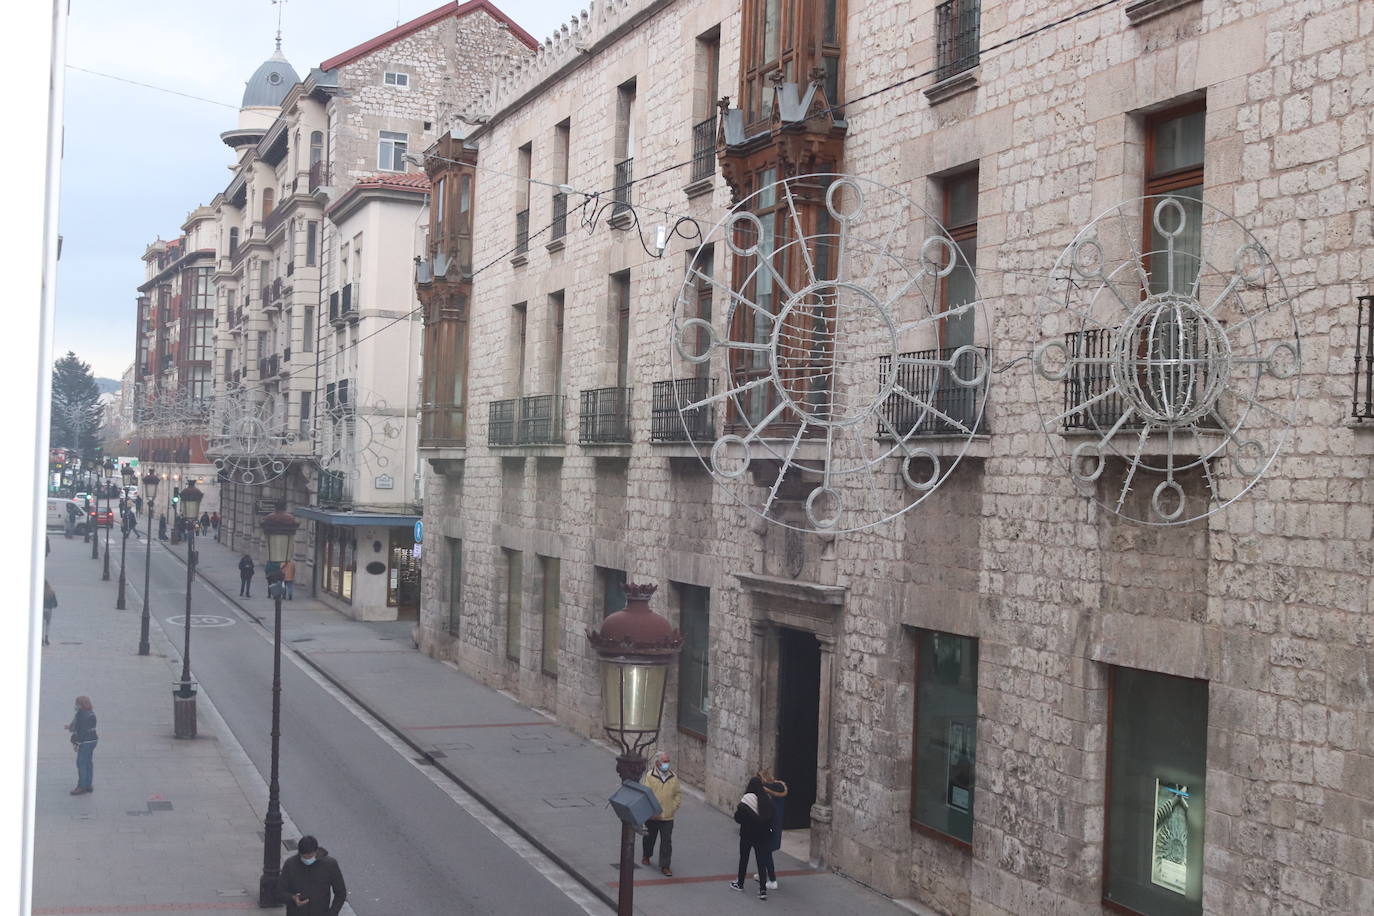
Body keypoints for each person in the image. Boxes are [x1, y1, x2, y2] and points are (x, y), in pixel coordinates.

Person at [278, 835, 347, 916]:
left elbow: (341, 892)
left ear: (316, 851)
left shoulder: (330, 865)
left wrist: (332, 913)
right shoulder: (290, 865)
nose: (307, 860)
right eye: (304, 857)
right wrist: (292, 898)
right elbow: (279, 892)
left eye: (310, 856)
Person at [730, 776, 773, 900]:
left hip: (747, 835)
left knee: (744, 859)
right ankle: (763, 890)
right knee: (761, 862)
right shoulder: (766, 799)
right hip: (762, 837)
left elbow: (738, 817)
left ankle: (740, 883)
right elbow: (770, 818)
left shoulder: (747, 799)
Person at [641, 751, 682, 876]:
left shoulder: (673, 777)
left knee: (666, 841)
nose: (667, 764)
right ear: (657, 763)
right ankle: (647, 855)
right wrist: (650, 810)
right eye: (664, 761)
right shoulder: (649, 776)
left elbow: (678, 794)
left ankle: (665, 866)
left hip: (667, 816)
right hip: (653, 815)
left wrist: (673, 807)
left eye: (667, 761)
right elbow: (645, 794)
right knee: (649, 837)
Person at [756, 769, 789, 890]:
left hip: (768, 826)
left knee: (765, 852)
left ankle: (772, 879)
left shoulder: (767, 792)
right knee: (763, 851)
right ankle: (762, 873)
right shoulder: (779, 788)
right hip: (775, 825)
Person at [64, 696, 97, 795]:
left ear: (80, 705)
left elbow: (79, 729)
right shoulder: (91, 713)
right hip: (93, 740)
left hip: (85, 742)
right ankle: (88, 785)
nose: (75, 706)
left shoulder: (80, 715)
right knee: (88, 763)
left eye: (76, 704)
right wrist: (70, 727)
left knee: (81, 764)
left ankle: (81, 786)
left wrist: (76, 742)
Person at [42, 580, 57, 647]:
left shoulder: (40, 592)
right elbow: (55, 604)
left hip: (41, 610)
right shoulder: (51, 592)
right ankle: (46, 639)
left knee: (42, 625)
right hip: (49, 610)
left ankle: (41, 639)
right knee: (48, 625)